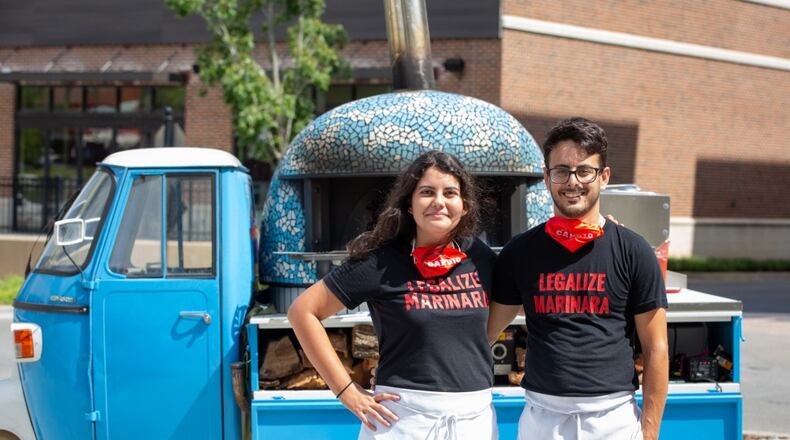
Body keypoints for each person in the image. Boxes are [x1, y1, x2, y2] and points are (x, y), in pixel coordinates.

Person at [288, 151, 499, 439]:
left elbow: (515, 304)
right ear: (409, 205)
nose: (439, 202)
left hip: (474, 420)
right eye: (426, 192)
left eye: (450, 193)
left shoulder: (480, 257)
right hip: (403, 421)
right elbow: (302, 311)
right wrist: (346, 391)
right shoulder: (382, 261)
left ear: (464, 206)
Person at [488, 117, 669, 440]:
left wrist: (650, 433)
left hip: (613, 419)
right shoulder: (520, 252)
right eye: (561, 171)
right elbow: (483, 335)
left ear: (604, 177)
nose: (573, 181)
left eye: (584, 170)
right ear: (546, 178)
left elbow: (656, 348)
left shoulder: (634, 250)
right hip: (542, 418)